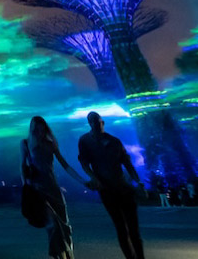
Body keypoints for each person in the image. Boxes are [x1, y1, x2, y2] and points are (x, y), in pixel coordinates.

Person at [78, 111, 145, 259]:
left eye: (98, 121)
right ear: (90, 124)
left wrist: (138, 182)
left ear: (103, 122)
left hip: (124, 188)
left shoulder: (115, 141)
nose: (96, 124)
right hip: (107, 190)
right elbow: (84, 164)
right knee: (121, 228)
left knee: (133, 230)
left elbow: (127, 164)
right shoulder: (84, 141)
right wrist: (94, 178)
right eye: (93, 122)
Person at [22, 115, 90, 259]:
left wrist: (82, 181)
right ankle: (59, 255)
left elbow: (65, 165)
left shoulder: (50, 143)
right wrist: (26, 189)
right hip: (38, 190)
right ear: (33, 130)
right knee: (52, 225)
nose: (39, 132)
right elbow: (23, 167)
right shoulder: (26, 143)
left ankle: (69, 255)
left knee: (64, 225)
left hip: (53, 187)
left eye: (41, 128)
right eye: (36, 129)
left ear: (44, 128)